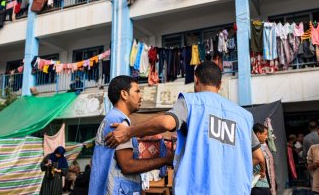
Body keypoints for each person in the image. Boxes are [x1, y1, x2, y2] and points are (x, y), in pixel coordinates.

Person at [106, 61, 254, 194]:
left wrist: (128, 132)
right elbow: (258, 156)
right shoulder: (244, 117)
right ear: (219, 84)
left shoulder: (191, 102)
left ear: (196, 79)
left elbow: (166, 123)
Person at [88, 75, 173, 195]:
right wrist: (165, 160)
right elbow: (127, 165)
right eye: (137, 91)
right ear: (124, 94)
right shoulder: (119, 121)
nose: (140, 96)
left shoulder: (112, 118)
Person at [252, 123, 276, 195]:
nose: (266, 137)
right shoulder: (254, 148)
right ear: (258, 134)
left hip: (263, 185)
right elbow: (260, 158)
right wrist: (263, 170)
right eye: (265, 134)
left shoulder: (263, 147)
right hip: (257, 185)